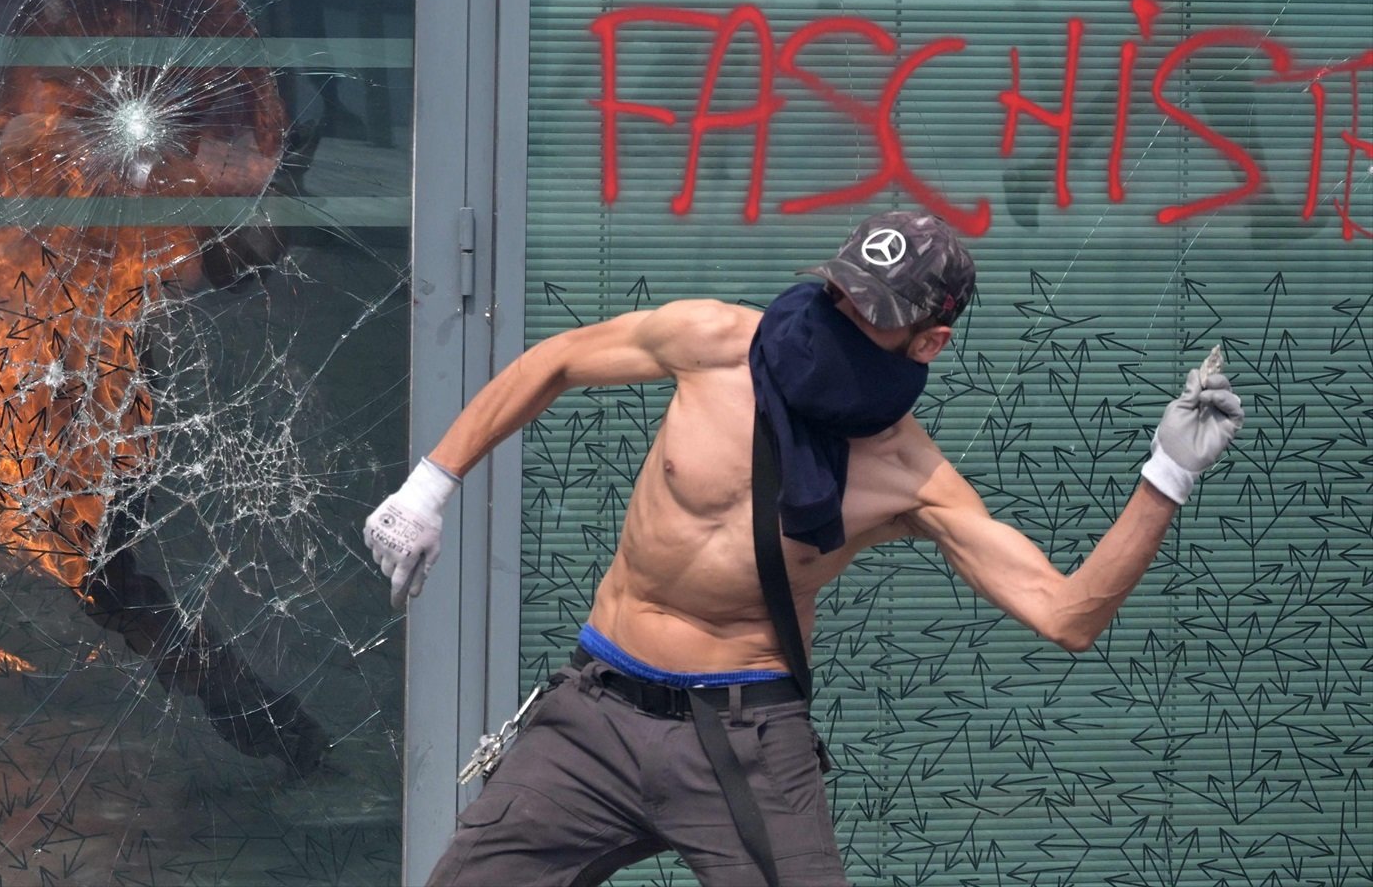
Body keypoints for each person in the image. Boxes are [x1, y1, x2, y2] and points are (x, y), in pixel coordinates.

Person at [364, 210, 1244, 885]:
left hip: (744, 740)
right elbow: (556, 359)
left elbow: (1067, 615)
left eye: (874, 314)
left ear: (930, 340)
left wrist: (1165, 474)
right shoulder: (714, 342)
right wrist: (428, 488)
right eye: (842, 293)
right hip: (596, 713)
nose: (842, 316)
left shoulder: (908, 476)